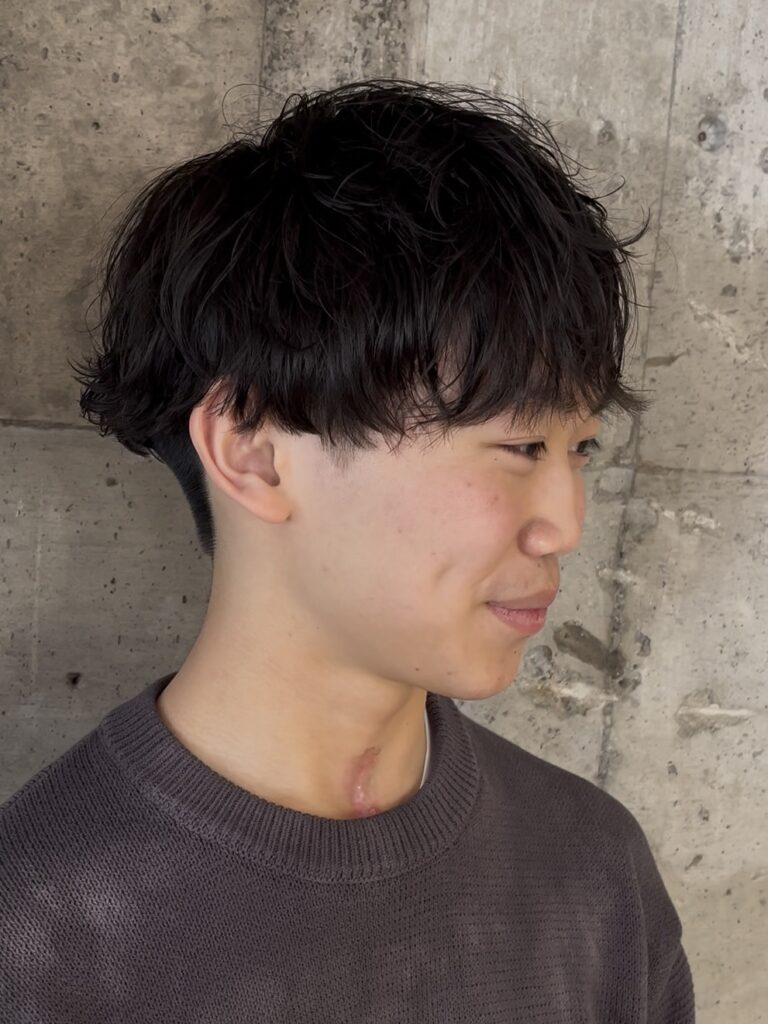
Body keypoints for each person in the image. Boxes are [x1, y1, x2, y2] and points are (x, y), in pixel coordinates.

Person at [0, 78, 695, 1022]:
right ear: (254, 450)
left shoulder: (596, 874)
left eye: (582, 450)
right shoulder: (37, 939)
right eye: (522, 446)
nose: (565, 525)